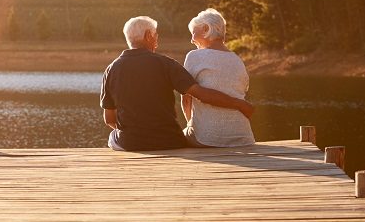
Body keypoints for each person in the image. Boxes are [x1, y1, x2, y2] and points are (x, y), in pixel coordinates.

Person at [100, 16, 254, 151]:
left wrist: (135, 133)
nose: (157, 42)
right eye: (156, 36)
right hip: (169, 140)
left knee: (112, 137)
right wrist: (239, 104)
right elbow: (202, 94)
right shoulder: (167, 64)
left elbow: (110, 119)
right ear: (148, 36)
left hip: (130, 142)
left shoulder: (111, 70)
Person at [181, 8, 255, 147]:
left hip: (208, 139)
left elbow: (186, 99)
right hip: (243, 138)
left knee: (181, 134)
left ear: (205, 29)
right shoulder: (237, 60)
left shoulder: (194, 56)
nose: (191, 40)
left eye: (193, 33)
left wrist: (190, 124)